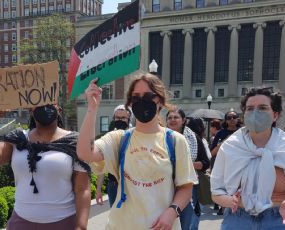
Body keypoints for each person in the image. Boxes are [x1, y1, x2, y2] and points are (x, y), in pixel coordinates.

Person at [77, 74, 197, 230]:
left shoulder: (175, 141)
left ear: (159, 101)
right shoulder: (119, 139)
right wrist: (92, 108)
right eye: (136, 98)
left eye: (148, 96)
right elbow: (85, 153)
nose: (142, 101)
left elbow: (186, 187)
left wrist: (172, 211)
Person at [211, 87, 285, 229]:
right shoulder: (230, 147)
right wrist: (230, 201)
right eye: (250, 108)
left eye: (262, 108)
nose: (255, 113)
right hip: (237, 219)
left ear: (275, 115)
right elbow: (216, 193)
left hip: (278, 219)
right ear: (244, 114)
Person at [0, 104, 91, 230]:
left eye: (49, 101)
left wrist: (81, 226)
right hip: (21, 222)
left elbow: (82, 188)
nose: (44, 106)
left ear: (59, 109)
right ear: (30, 110)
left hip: (63, 222)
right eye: (39, 102)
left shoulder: (75, 142)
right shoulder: (18, 139)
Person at [166, 109, 210, 230]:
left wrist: (186, 164)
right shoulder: (160, 138)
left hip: (188, 185)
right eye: (170, 118)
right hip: (164, 185)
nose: (172, 120)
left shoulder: (193, 138)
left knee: (187, 222)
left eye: (176, 117)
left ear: (183, 120)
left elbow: (205, 163)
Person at [95, 104, 132, 207]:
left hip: (132, 185)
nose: (120, 120)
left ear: (129, 119)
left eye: (123, 118)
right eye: (117, 117)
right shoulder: (109, 139)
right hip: (113, 185)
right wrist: (98, 190)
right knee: (115, 219)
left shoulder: (135, 136)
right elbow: (103, 165)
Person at [209, 110, 240, 215]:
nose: (232, 119)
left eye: (234, 117)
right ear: (225, 120)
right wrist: (224, 142)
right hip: (225, 165)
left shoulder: (243, 132)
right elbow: (212, 153)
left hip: (240, 165)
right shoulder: (220, 134)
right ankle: (225, 207)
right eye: (229, 118)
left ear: (238, 118)